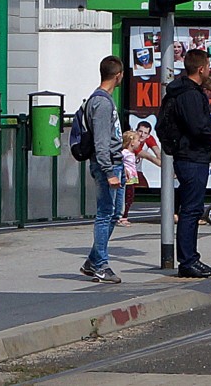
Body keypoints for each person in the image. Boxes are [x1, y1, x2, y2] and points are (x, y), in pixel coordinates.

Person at [163, 48, 211, 277]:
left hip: (190, 155)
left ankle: (191, 258)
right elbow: (197, 128)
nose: (210, 70)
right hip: (191, 157)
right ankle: (188, 261)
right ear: (201, 69)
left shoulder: (184, 92)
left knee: (192, 209)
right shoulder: (190, 95)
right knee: (191, 211)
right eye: (209, 67)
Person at [80, 56, 124, 284]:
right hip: (108, 165)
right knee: (105, 214)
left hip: (114, 162)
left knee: (115, 213)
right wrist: (109, 172)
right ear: (118, 75)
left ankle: (92, 260)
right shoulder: (103, 103)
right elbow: (101, 141)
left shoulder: (100, 100)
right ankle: (100, 265)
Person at [118, 130, 143, 226]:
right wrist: (124, 169)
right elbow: (120, 161)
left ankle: (124, 215)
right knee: (127, 197)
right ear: (132, 142)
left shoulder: (132, 154)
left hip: (131, 178)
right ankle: (122, 216)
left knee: (130, 197)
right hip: (127, 178)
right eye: (138, 140)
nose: (139, 142)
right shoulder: (124, 152)